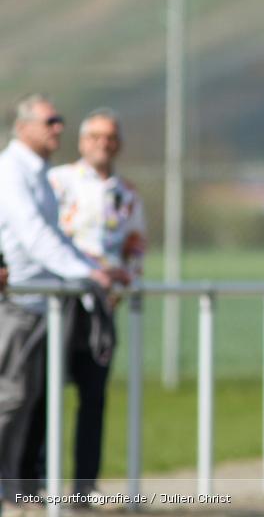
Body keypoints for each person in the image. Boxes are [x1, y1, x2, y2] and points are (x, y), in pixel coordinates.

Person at [0, 94, 128, 509]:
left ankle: (27, 491)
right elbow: (33, 236)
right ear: (24, 127)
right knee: (11, 399)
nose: (59, 127)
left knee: (31, 399)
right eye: (50, 121)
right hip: (18, 302)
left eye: (60, 120)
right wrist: (85, 274)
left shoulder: (39, 174)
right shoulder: (14, 171)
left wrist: (94, 273)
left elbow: (55, 237)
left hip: (48, 302)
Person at [45, 108, 145, 500]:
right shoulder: (58, 181)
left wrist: (126, 279)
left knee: (94, 397)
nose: (104, 144)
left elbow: (136, 244)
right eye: (96, 136)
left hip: (101, 306)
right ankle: (34, 483)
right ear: (82, 141)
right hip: (59, 302)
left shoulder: (127, 192)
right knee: (42, 395)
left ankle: (84, 488)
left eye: (110, 137)